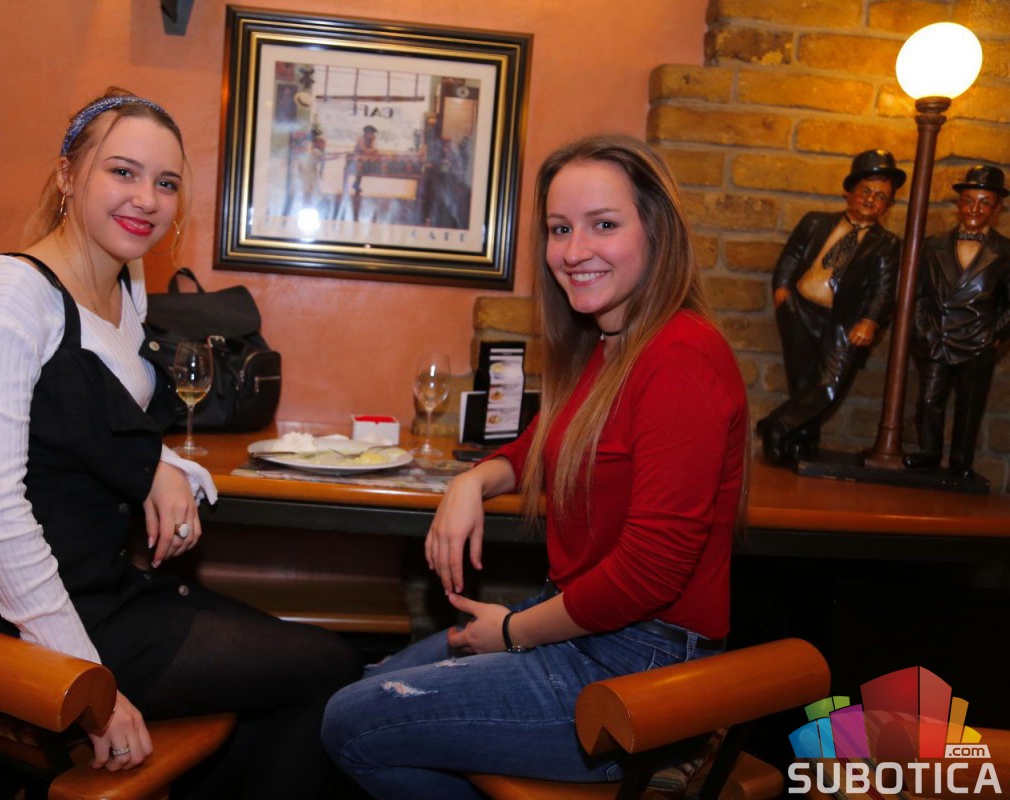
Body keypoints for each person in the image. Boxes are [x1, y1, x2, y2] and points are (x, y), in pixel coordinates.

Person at [0, 87, 358, 799]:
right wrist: (86, 684)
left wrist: (160, 462)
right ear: (67, 175)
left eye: (166, 182)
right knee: (326, 672)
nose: (147, 199)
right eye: (122, 172)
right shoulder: (7, 301)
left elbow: (85, 412)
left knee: (315, 669)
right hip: (15, 616)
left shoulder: (124, 284)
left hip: (98, 585)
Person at [321, 134, 748, 798]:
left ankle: (677, 745)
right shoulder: (610, 344)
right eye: (559, 229)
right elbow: (544, 445)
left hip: (640, 666)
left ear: (657, 231)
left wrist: (513, 632)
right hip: (586, 630)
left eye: (603, 225)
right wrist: (472, 480)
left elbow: (649, 573)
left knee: (354, 721)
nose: (573, 252)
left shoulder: (681, 356)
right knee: (370, 686)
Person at [756, 149, 904, 463]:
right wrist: (781, 291)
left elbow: (884, 288)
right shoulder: (815, 222)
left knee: (828, 385)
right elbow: (792, 255)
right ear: (848, 192)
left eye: (881, 196)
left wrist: (870, 321)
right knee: (802, 383)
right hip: (799, 310)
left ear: (889, 205)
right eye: (866, 191)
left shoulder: (887, 244)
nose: (871, 200)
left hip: (844, 323)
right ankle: (799, 445)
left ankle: (775, 426)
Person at [904, 165, 1010, 478]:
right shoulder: (933, 244)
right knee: (928, 400)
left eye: (984, 202)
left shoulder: (1006, 252)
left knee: (971, 405)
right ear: (958, 204)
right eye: (969, 200)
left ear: (997, 209)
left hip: (978, 341)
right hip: (937, 337)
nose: (975, 209)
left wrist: (994, 335)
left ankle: (961, 462)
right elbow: (918, 293)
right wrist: (921, 330)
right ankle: (929, 452)